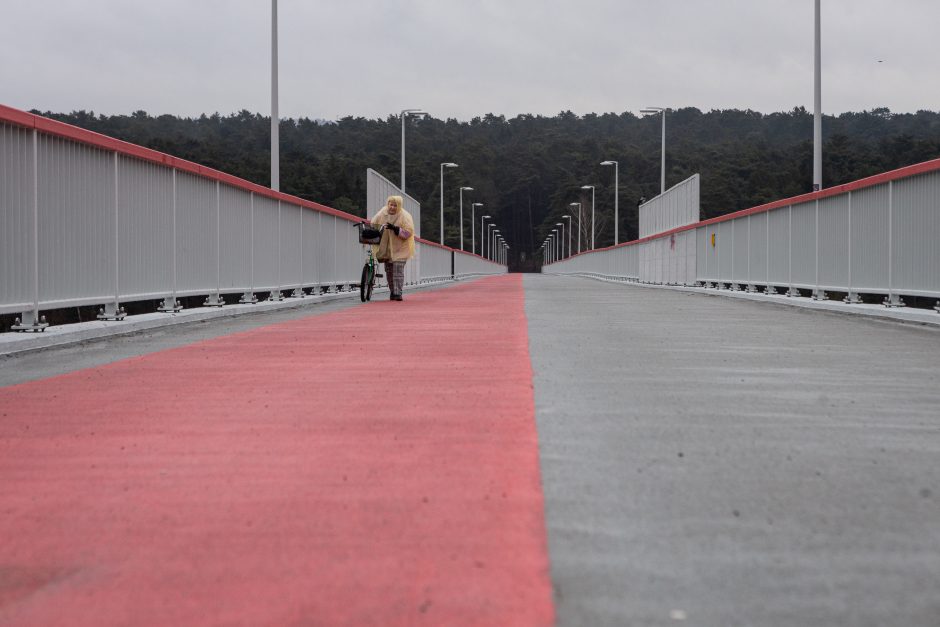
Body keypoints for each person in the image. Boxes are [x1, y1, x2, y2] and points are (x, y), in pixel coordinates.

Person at [370, 195, 415, 301]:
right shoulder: (382, 212)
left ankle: (398, 293)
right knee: (389, 270)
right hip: (386, 247)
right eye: (391, 205)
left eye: (395, 205)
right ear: (388, 204)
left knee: (398, 270)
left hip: (401, 248)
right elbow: (373, 223)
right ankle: (392, 291)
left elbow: (408, 232)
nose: (393, 207)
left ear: (399, 206)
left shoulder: (404, 216)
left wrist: (396, 229)